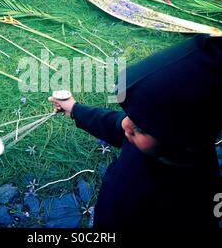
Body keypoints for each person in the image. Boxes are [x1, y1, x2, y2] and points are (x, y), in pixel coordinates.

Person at [48, 34, 222, 230]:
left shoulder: (178, 200)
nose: (125, 125)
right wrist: (74, 108)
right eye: (130, 115)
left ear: (181, 140)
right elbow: (116, 126)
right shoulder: (180, 140)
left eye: (139, 126)